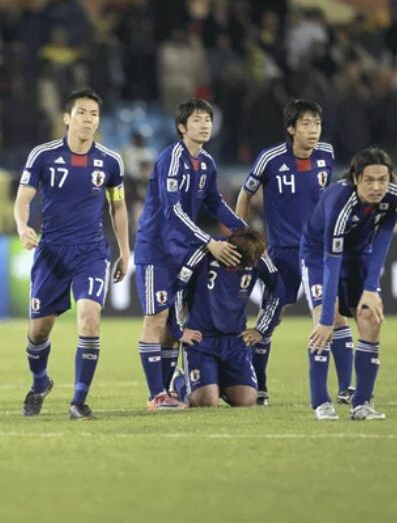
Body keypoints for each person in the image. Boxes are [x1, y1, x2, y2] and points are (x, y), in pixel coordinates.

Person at [14, 87, 129, 420]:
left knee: (90, 319)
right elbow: (23, 199)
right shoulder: (43, 155)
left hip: (91, 250)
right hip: (51, 251)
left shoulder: (110, 161)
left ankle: (78, 402)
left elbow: (118, 206)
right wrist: (23, 228)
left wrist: (125, 250)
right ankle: (39, 384)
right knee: (39, 330)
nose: (87, 119)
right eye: (81, 113)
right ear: (67, 119)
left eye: (93, 114)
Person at [134, 97, 246, 410]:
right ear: (182, 127)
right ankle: (156, 395)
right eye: (197, 120)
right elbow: (173, 210)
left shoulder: (207, 163)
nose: (204, 124)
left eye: (208, 120)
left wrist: (242, 229)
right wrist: (207, 241)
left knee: (173, 323)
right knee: (155, 319)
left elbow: (214, 203)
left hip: (182, 250)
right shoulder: (171, 158)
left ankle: (167, 391)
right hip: (157, 250)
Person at [235, 99, 338, 406]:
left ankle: (343, 388)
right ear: (291, 128)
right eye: (306, 124)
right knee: (271, 315)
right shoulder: (271, 158)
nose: (313, 130)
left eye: (317, 124)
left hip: (317, 251)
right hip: (281, 252)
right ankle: (260, 385)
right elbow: (246, 193)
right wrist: (243, 235)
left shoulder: (327, 155)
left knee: (332, 315)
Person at [300, 147, 397, 420]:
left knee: (371, 319)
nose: (377, 186)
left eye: (383, 179)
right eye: (370, 180)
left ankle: (362, 404)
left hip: (359, 256)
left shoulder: (395, 195)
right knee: (327, 319)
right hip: (319, 257)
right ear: (356, 178)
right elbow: (331, 259)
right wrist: (325, 318)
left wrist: (371, 288)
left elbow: (383, 239)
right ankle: (321, 402)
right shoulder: (339, 201)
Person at [170, 228, 285, 407]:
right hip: (202, 340)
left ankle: (215, 382)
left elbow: (277, 289)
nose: (244, 268)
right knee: (206, 403)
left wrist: (261, 329)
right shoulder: (204, 251)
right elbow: (178, 287)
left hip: (235, 340)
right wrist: (178, 330)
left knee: (246, 401)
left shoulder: (256, 256)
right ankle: (180, 382)